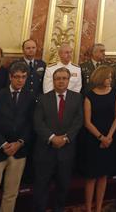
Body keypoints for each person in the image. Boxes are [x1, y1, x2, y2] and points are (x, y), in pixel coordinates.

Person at [0, 61, 35, 212]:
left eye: (24, 77)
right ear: (10, 77)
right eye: (17, 77)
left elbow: (30, 124)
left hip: (19, 151)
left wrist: (19, 143)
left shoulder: (30, 98)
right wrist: (3, 144)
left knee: (11, 194)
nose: (20, 80)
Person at [33, 67, 84, 212]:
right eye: (58, 78)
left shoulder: (77, 97)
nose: (61, 81)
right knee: (41, 186)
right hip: (45, 150)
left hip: (66, 150)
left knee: (63, 185)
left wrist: (66, 138)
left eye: (64, 78)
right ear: (53, 80)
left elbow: (78, 120)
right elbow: (38, 122)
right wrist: (52, 138)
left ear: (69, 80)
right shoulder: (43, 98)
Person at [80, 65, 116, 212]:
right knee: (91, 176)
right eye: (107, 77)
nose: (110, 80)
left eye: (111, 77)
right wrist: (101, 137)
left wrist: (109, 137)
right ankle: (89, 208)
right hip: (93, 139)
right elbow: (87, 121)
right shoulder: (89, 95)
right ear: (100, 77)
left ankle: (98, 207)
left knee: (103, 175)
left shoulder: (115, 93)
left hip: (109, 139)